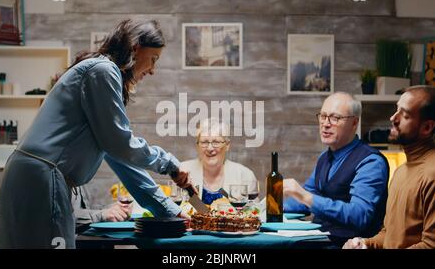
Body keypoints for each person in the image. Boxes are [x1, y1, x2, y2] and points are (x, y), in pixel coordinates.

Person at [0, 19, 193, 249]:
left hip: (28, 177)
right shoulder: (103, 71)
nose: (152, 70)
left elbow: (121, 156)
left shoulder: (99, 72)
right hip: (41, 179)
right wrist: (169, 164)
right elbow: (122, 146)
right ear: (136, 47)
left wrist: (169, 211)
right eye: (154, 59)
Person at [283, 92, 389, 247]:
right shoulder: (324, 158)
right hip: (318, 241)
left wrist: (305, 196)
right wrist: (269, 207)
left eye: (335, 118)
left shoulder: (371, 162)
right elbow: (304, 200)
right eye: (323, 116)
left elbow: (359, 215)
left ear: (354, 123)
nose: (326, 123)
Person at [344, 86, 435, 249]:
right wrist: (364, 244)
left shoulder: (431, 174)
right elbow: (389, 234)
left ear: (427, 128)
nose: (393, 118)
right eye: (396, 110)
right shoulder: (400, 171)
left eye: (405, 115)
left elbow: (430, 245)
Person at [181, 118, 258, 205]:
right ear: (197, 146)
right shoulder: (182, 172)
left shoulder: (245, 176)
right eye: (204, 142)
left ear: (227, 145)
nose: (210, 148)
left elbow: (253, 214)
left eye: (216, 142)